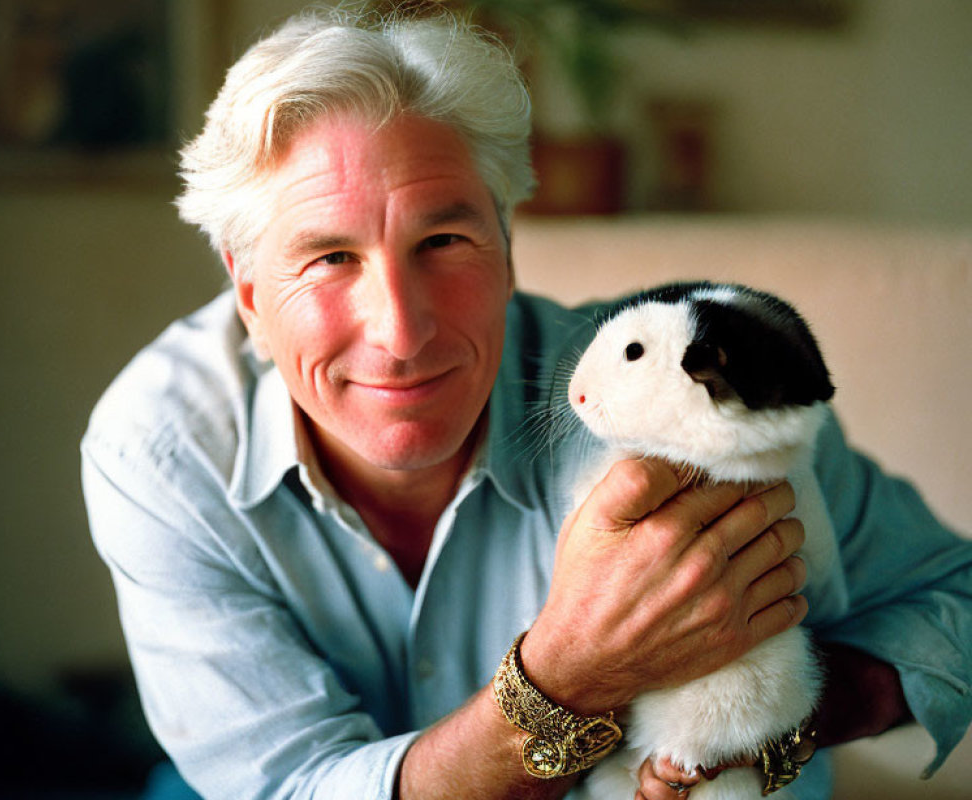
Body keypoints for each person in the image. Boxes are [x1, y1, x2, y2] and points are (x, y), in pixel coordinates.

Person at [81, 8, 971, 800]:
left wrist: (765, 730)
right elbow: (287, 784)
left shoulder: (689, 406)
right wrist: (570, 678)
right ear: (246, 293)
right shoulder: (159, 445)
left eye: (443, 239)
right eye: (328, 259)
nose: (399, 330)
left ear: (508, 248)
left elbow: (956, 602)